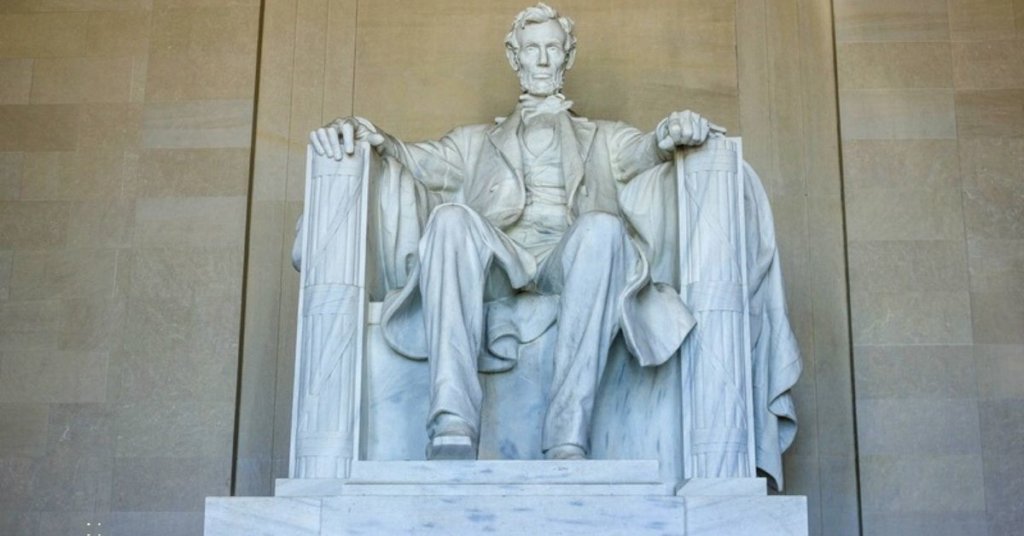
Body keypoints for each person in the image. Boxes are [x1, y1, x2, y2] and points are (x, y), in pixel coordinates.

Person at [310, 3, 723, 461]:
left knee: (604, 229)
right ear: (515, 57)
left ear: (568, 56)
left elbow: (647, 150)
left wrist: (672, 131)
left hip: (569, 261)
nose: (543, 60)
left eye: (553, 48)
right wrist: (368, 135)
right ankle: (452, 421)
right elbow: (411, 157)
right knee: (450, 219)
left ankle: (568, 433)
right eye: (532, 50)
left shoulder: (604, 138)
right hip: (498, 262)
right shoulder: (472, 142)